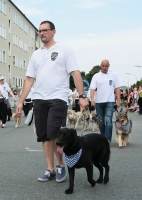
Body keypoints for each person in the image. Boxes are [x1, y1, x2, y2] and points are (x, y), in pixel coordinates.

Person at [16, 20, 88, 183]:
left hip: (58, 98)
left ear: (53, 32)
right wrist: (21, 101)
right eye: (40, 31)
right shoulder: (36, 54)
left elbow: (75, 74)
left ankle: (60, 165)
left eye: (45, 30)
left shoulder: (64, 50)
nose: (41, 33)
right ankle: (50, 169)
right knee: (44, 136)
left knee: (55, 134)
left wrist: (82, 96)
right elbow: (29, 79)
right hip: (39, 98)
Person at [90, 59, 121, 143]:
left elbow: (117, 88)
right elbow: (92, 88)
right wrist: (92, 99)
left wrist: (118, 100)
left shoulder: (113, 75)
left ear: (109, 66)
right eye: (103, 66)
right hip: (99, 101)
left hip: (110, 101)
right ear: (100, 65)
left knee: (108, 120)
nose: (104, 67)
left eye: (106, 66)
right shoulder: (96, 76)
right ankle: (103, 138)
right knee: (101, 121)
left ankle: (107, 139)